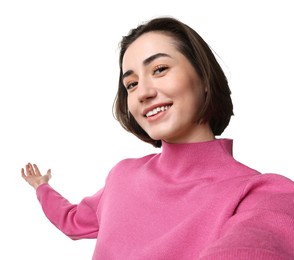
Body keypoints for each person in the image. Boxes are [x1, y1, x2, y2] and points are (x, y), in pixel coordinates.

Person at [21, 16, 294, 259]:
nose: (143, 92)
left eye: (160, 69)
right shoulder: (122, 176)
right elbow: (72, 220)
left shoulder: (263, 194)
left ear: (205, 78)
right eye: (131, 84)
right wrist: (42, 188)